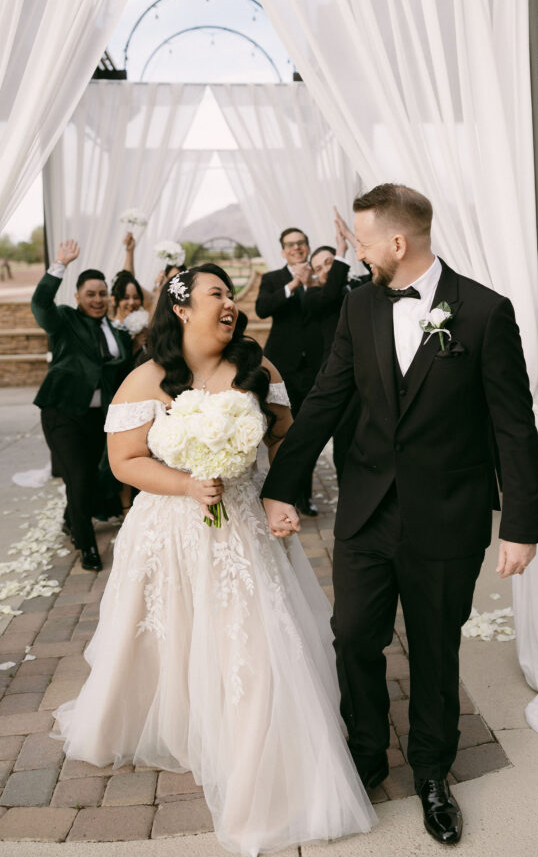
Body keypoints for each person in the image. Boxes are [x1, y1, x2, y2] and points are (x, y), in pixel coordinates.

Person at [53, 263, 376, 856]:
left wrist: (276, 491)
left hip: (243, 528)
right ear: (181, 309)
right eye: (216, 295)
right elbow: (124, 461)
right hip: (169, 529)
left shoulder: (257, 369)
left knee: (249, 639)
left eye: (231, 295)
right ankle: (178, 721)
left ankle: (258, 748)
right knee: (170, 634)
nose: (230, 303)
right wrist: (183, 485)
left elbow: (284, 435)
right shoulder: (146, 379)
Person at [261, 184, 538, 847]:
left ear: (396, 242)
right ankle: (364, 753)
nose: (354, 253)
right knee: (353, 636)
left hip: (447, 517)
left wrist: (521, 525)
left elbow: (512, 426)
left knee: (435, 650)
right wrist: (282, 484)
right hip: (366, 512)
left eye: (361, 241)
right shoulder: (359, 305)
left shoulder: (482, 311)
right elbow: (328, 397)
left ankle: (431, 772)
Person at [31, 240, 131, 570]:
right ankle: (86, 545)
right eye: (91, 294)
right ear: (77, 297)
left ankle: (68, 517)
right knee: (79, 476)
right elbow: (41, 303)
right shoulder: (64, 320)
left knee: (87, 476)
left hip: (97, 418)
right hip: (62, 412)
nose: (98, 299)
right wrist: (59, 265)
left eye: (102, 294)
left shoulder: (117, 331)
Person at [255, 227, 322, 516]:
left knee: (308, 432)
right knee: (285, 433)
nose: (296, 248)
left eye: (300, 243)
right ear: (282, 251)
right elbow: (261, 309)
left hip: (316, 367)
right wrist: (293, 285)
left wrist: (314, 283)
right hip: (283, 369)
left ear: (307, 246)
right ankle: (283, 492)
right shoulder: (273, 279)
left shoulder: (321, 276)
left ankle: (304, 496)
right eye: (290, 245)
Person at [303, 221, 360, 481]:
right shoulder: (315, 298)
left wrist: (352, 239)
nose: (327, 269)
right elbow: (331, 296)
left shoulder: (362, 285)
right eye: (320, 267)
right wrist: (340, 250)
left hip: (374, 373)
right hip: (341, 377)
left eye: (329, 262)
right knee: (345, 436)